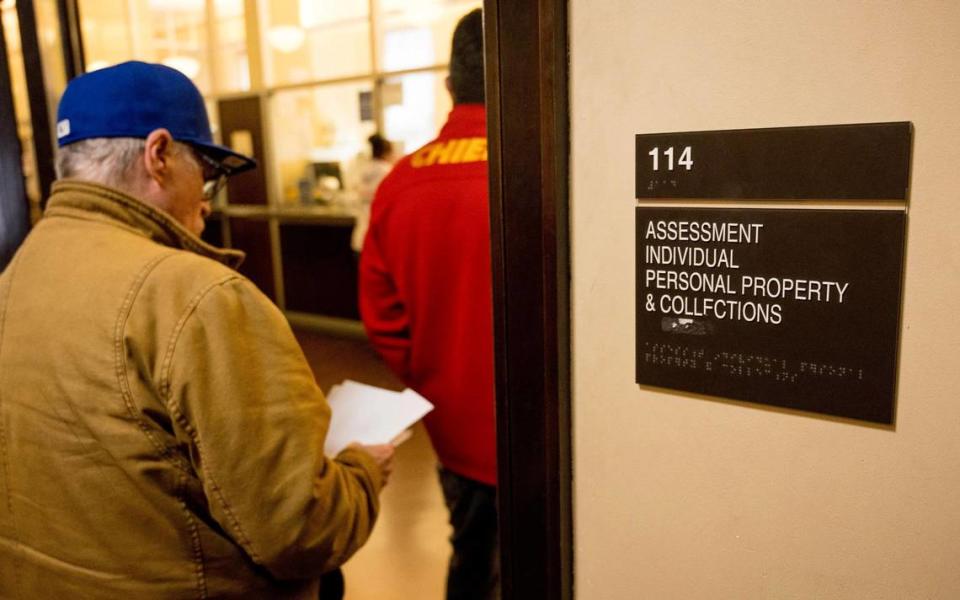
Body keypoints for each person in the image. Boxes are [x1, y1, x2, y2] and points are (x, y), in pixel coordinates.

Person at [0, 61, 394, 599]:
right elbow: (299, 528)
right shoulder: (197, 296)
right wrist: (360, 470)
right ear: (158, 155)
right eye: (207, 173)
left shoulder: (19, 273)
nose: (207, 200)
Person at [359, 9, 498, 600]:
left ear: (450, 85)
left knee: (471, 557)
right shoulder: (553, 169)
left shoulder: (403, 183)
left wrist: (439, 379)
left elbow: (384, 322)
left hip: (457, 434)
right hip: (564, 433)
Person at [350, 133, 395, 255]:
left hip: (360, 239)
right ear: (387, 153)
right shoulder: (389, 173)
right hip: (379, 243)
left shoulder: (361, 170)